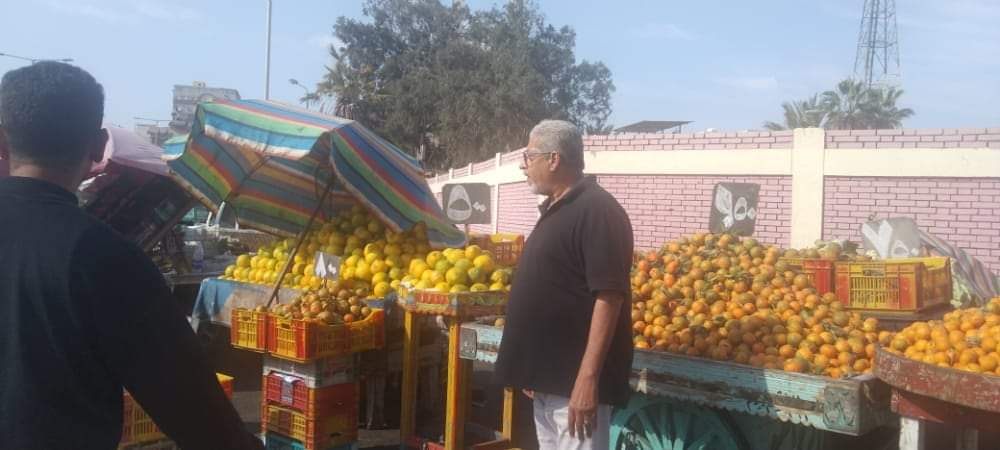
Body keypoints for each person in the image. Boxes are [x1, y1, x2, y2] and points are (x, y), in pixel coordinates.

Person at [0, 62, 263, 450]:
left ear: (2, 141)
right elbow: (195, 411)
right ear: (97, 147)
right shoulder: (104, 257)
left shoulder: (103, 257)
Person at [494, 120, 634, 449]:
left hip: (574, 389)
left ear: (554, 159)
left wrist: (587, 379)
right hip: (547, 382)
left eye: (529, 157)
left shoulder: (597, 211)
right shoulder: (557, 209)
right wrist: (534, 369)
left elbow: (609, 296)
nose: (523, 166)